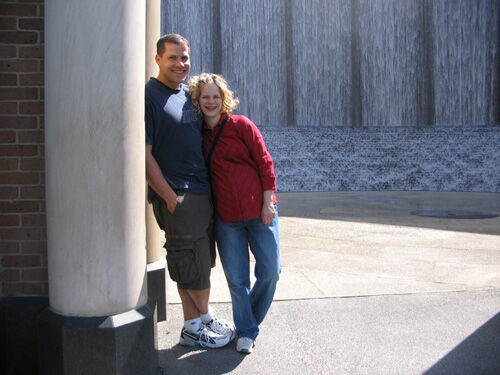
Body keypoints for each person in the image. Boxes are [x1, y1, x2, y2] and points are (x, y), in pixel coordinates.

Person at [145, 34, 235, 348]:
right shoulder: (149, 96)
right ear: (158, 59)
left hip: (201, 192)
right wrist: (169, 197)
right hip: (178, 194)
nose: (180, 64)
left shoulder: (188, 94)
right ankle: (192, 325)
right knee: (188, 261)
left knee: (200, 261)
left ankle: (200, 320)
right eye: (173, 58)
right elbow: (143, 153)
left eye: (184, 58)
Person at [188, 73, 281, 354]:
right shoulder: (198, 136)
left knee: (270, 272)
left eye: (216, 96)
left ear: (224, 98)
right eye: (206, 97)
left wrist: (268, 203)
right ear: (198, 100)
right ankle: (246, 330)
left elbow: (265, 162)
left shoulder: (241, 125)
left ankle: (246, 321)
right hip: (227, 218)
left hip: (259, 211)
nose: (211, 101)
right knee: (237, 280)